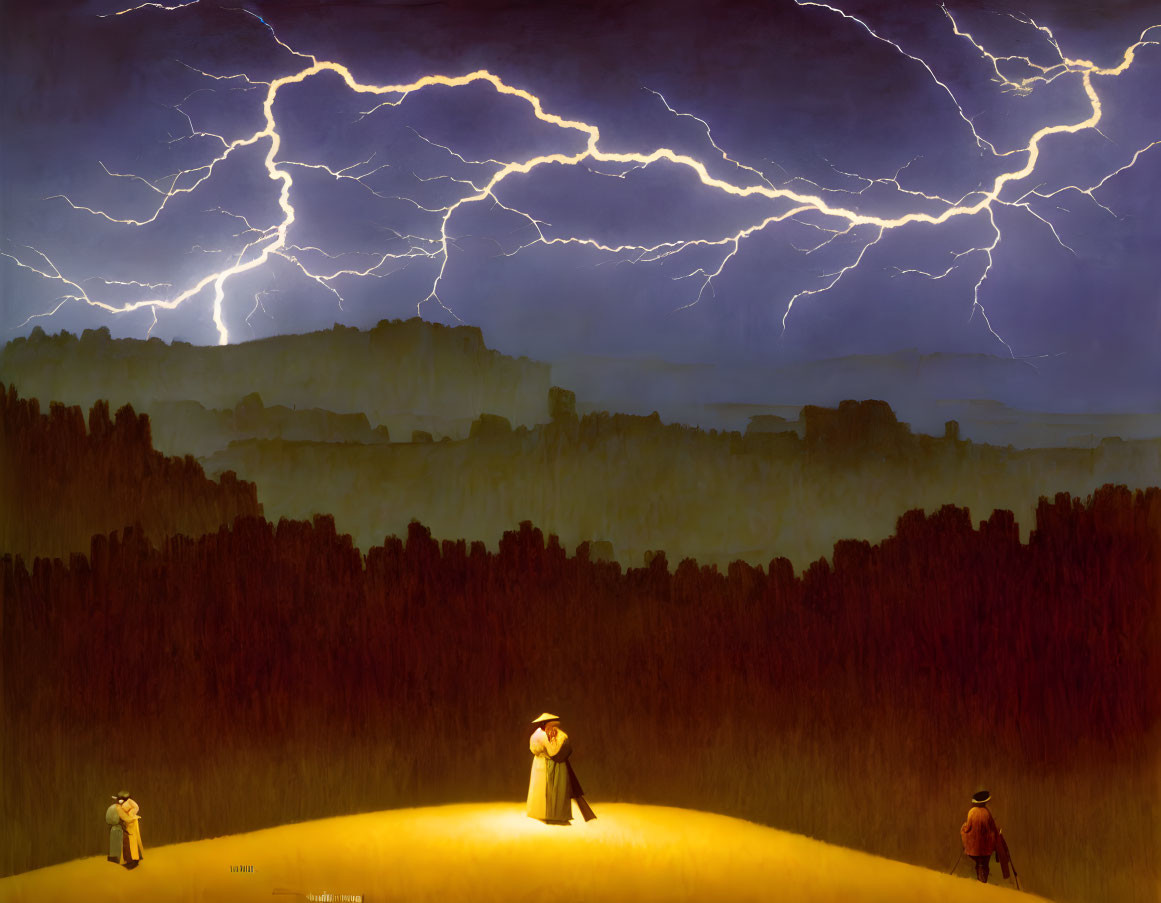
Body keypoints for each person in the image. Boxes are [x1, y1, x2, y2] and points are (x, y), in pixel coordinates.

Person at [526, 713, 596, 824]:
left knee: (543, 788)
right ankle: (552, 815)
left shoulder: (537, 734)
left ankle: (543, 813)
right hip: (548, 764)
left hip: (540, 763)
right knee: (550, 789)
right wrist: (555, 740)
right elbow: (553, 751)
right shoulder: (544, 736)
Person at [960, 789, 1006, 883]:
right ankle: (983, 882)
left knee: (979, 863)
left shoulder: (971, 812)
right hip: (985, 847)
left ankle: (980, 880)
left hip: (975, 847)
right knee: (985, 864)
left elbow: (967, 828)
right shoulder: (987, 813)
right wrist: (998, 832)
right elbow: (992, 829)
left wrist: (963, 828)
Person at [114, 791, 144, 868]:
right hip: (127, 823)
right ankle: (129, 859)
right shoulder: (120, 804)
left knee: (133, 841)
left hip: (132, 823)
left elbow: (136, 807)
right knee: (127, 842)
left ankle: (135, 860)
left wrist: (130, 814)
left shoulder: (129, 801)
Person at [105, 798, 123, 864]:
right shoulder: (117, 808)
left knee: (112, 844)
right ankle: (116, 859)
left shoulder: (110, 808)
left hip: (111, 827)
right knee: (117, 844)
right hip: (116, 827)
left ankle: (112, 858)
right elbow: (116, 819)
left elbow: (107, 819)